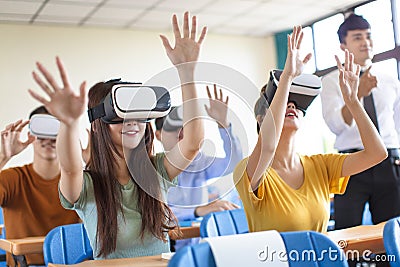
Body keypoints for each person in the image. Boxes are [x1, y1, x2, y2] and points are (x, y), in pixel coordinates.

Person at [28, 12, 206, 259]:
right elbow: (69, 169)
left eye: (138, 113)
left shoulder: (156, 172)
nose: (132, 122)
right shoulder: (87, 186)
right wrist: (68, 125)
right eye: (121, 115)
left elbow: (193, 144)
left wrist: (187, 72)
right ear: (99, 123)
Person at [234, 25, 387, 234]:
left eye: (296, 104)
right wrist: (286, 78)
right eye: (284, 101)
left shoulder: (320, 166)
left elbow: (377, 153)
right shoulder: (248, 170)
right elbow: (268, 146)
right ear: (261, 119)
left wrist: (352, 101)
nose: (291, 106)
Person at [320, 14, 400, 230]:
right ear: (343, 45)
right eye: (357, 37)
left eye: (368, 36)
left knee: (391, 231)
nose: (365, 42)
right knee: (347, 231)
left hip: (389, 162)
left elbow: (397, 125)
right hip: (351, 164)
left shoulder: (391, 80)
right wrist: (358, 95)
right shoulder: (331, 82)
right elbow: (336, 125)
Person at [155, 84, 242, 251]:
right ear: (158, 135)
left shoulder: (199, 162)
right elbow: (160, 216)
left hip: (198, 242)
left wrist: (223, 125)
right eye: (173, 129)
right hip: (166, 248)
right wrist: (199, 210)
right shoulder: (152, 168)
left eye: (184, 128)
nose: (181, 134)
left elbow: (234, 163)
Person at [0, 106, 80, 266]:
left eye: (55, 130)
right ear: (30, 134)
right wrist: (2, 157)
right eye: (42, 130)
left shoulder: (78, 183)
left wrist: (95, 164)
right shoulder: (12, 179)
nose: (48, 139)